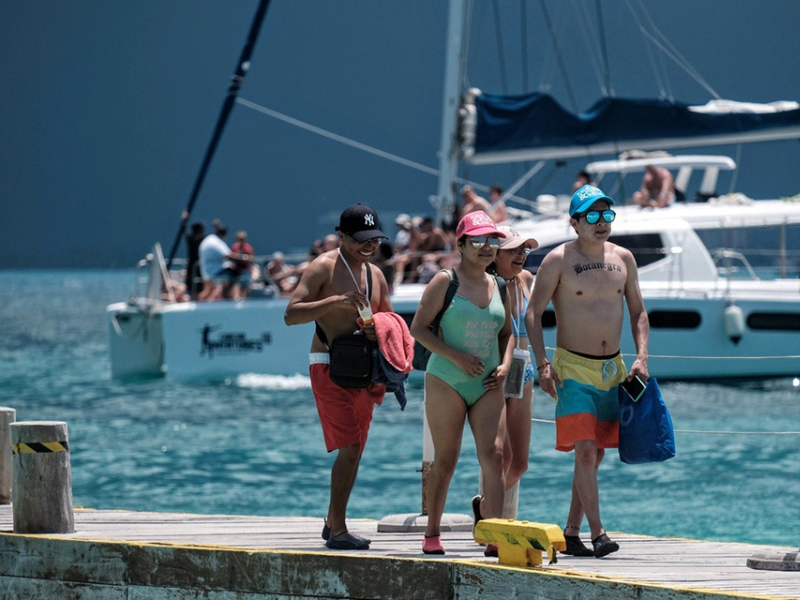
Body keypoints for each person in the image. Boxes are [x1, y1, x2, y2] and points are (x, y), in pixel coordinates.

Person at [525, 185, 649, 558]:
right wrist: (542, 363)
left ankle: (572, 531)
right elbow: (533, 313)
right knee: (584, 451)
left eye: (606, 215)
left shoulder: (624, 259)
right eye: (592, 216)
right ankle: (599, 535)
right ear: (575, 222)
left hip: (613, 370)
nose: (601, 223)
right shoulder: (558, 261)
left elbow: (638, 312)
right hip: (571, 369)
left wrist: (642, 358)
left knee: (596, 456)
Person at [284, 203, 392, 551]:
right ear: (341, 236)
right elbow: (291, 315)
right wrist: (333, 303)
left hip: (362, 369)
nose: (369, 246)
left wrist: (380, 331)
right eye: (361, 239)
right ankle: (339, 529)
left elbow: (388, 318)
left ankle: (333, 523)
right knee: (348, 447)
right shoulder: (323, 267)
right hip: (328, 362)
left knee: (356, 449)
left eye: (374, 239)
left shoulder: (376, 275)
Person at [410, 210, 512, 556]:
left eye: (492, 241)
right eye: (479, 241)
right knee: (447, 459)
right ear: (462, 244)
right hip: (447, 379)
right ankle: (433, 531)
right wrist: (456, 356)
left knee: (495, 455)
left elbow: (508, 335)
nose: (487, 247)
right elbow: (418, 329)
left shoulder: (499, 284)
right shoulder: (445, 280)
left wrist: (507, 364)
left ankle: (493, 533)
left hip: (488, 384)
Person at [487, 225, 538, 514]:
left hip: (524, 368)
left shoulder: (525, 279)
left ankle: (484, 508)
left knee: (520, 462)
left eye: (524, 249)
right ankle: (492, 522)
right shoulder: (487, 284)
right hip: (496, 369)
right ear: (495, 254)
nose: (521, 255)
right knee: (497, 456)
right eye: (514, 250)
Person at [197, 221, 251, 301]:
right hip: (214, 270)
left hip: (206, 270)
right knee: (236, 274)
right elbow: (229, 255)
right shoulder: (216, 242)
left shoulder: (209, 239)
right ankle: (227, 296)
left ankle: (200, 302)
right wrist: (245, 258)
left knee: (209, 290)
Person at [230, 230, 256, 299]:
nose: (241, 240)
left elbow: (251, 258)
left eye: (243, 239)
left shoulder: (248, 247)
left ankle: (244, 299)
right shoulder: (235, 247)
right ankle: (236, 298)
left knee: (245, 285)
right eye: (240, 239)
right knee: (236, 284)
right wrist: (238, 257)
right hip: (236, 270)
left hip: (245, 270)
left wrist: (245, 258)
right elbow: (231, 256)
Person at [184, 218, 205, 299]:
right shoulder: (201, 239)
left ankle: (192, 298)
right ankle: (195, 299)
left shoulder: (190, 239)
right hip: (199, 267)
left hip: (191, 266)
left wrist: (184, 220)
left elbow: (184, 230)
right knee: (198, 285)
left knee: (191, 285)